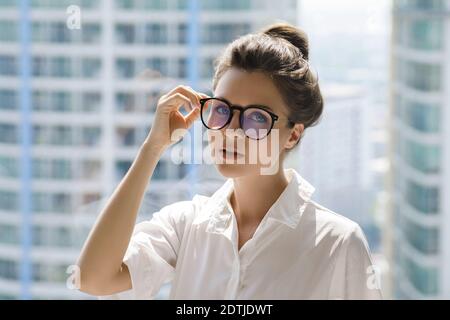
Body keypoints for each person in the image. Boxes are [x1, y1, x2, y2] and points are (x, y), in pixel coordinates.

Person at [76, 22, 382, 300]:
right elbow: (94, 280)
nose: (231, 131)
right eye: (222, 109)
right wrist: (152, 147)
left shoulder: (337, 242)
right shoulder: (187, 226)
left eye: (257, 117)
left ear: (292, 135)